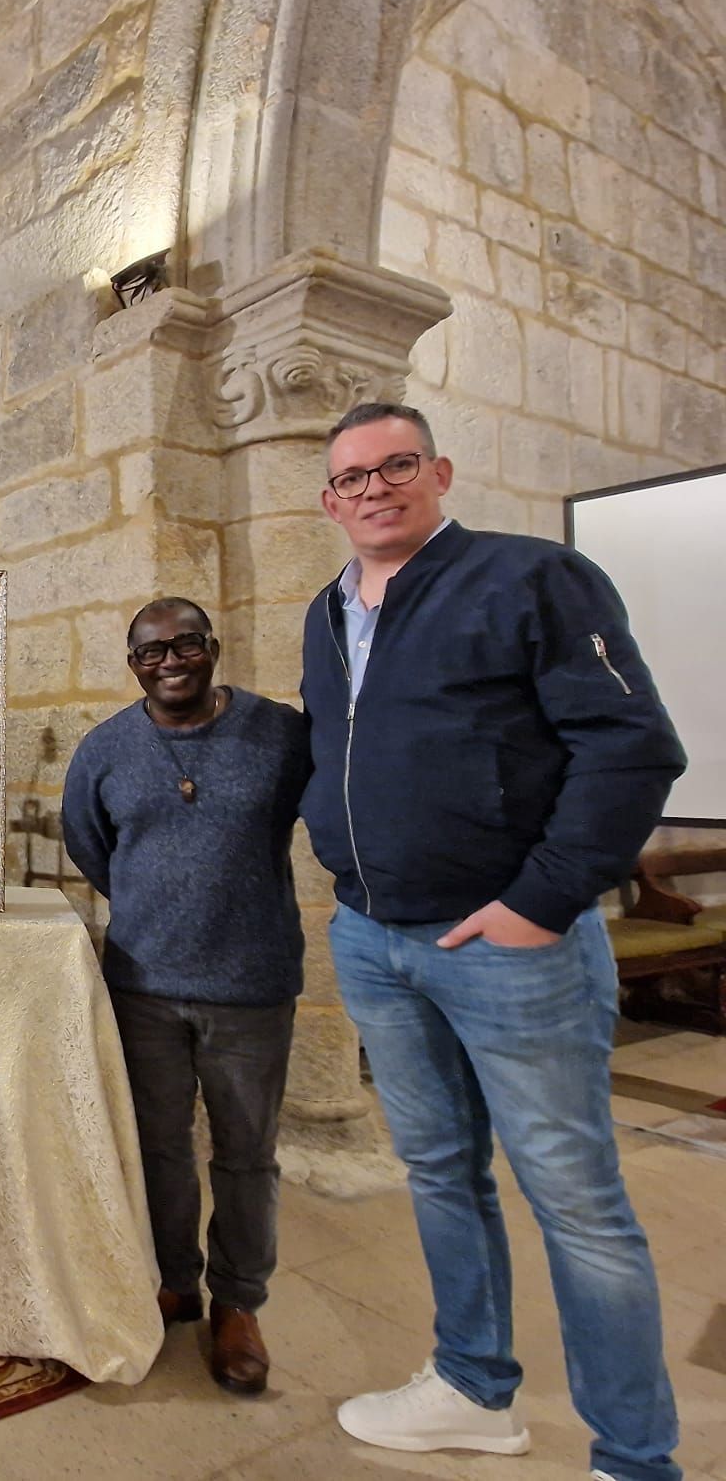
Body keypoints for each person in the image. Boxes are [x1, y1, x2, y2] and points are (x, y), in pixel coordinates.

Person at [301, 402, 685, 1481]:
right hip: (373, 939)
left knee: (574, 1199)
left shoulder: (527, 578)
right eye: (349, 478)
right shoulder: (324, 612)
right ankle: (472, 1387)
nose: (371, 489)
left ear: (439, 472)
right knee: (437, 1171)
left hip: (506, 946)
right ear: (327, 501)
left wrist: (544, 899)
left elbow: (629, 746)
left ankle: (633, 1456)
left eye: (395, 466)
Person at [61, 599, 310, 1397]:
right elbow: (89, 844)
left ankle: (239, 1305)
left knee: (245, 1154)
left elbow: (330, 811)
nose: (169, 660)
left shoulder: (279, 734)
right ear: (131, 663)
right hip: (145, 987)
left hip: (250, 984)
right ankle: (176, 1279)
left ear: (212, 648)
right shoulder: (105, 750)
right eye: (149, 651)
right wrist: (155, 904)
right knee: (160, 1146)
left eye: (185, 645)